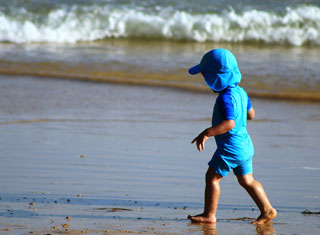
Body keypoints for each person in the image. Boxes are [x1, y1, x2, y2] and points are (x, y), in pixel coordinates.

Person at [187, 49, 277, 224]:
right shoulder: (241, 93)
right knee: (247, 180)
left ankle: (209, 215)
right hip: (245, 145)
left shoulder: (225, 98)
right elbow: (251, 114)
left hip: (231, 147)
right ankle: (267, 210)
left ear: (215, 78)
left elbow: (230, 124)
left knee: (212, 177)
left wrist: (207, 133)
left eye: (206, 76)